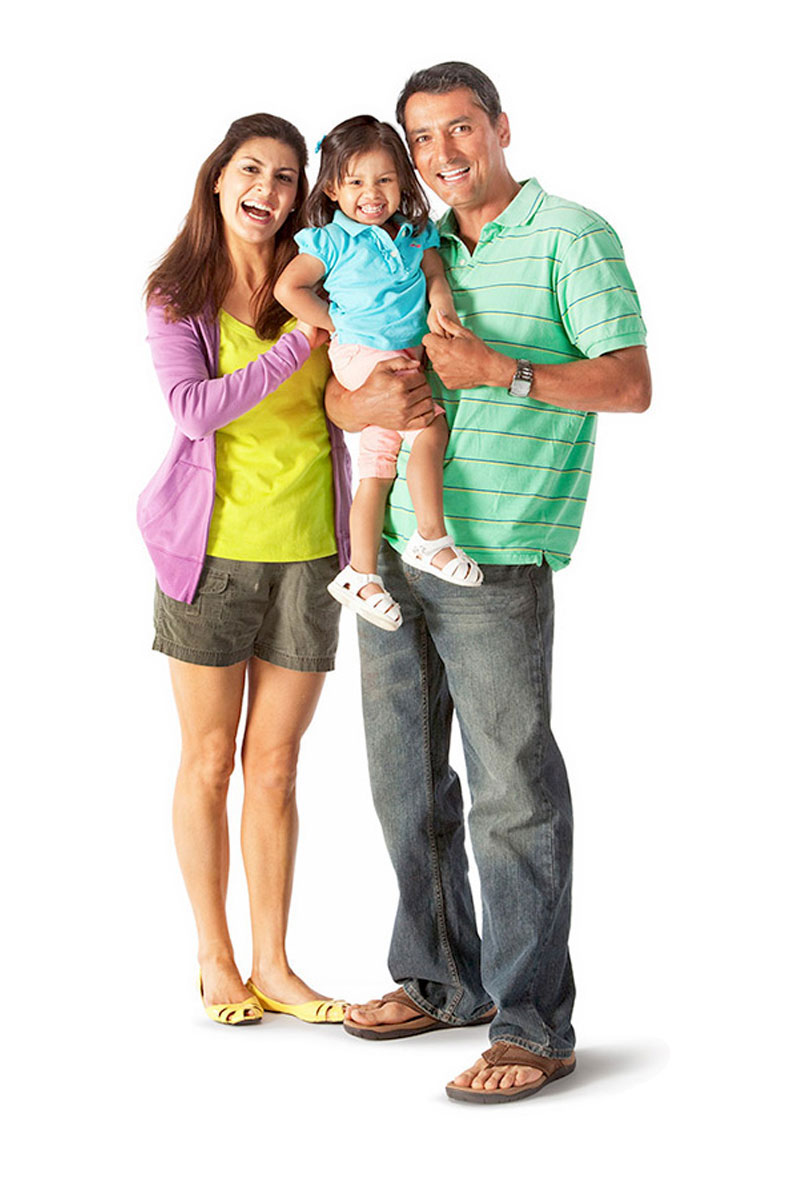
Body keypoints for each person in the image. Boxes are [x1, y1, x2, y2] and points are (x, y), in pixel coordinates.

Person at [326, 63, 651, 1101]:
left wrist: (501, 373)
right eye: (420, 139)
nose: (440, 154)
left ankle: (528, 1026)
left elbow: (629, 383)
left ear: (501, 126)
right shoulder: (404, 244)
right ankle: (438, 980)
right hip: (390, 550)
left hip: (495, 546)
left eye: (458, 129)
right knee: (402, 780)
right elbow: (346, 392)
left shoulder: (570, 235)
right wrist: (356, 403)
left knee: (509, 792)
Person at [138, 113, 351, 1027]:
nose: (267, 191)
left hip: (311, 554)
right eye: (250, 171)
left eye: (286, 176)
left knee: (275, 768)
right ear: (218, 178)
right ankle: (215, 957)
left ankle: (275, 961)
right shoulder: (178, 292)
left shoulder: (322, 278)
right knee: (208, 764)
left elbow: (347, 395)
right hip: (211, 557)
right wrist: (302, 344)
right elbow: (193, 409)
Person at [274, 115, 482, 634]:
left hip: (405, 352)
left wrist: (441, 299)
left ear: (403, 181)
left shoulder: (415, 232)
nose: (372, 193)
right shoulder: (329, 241)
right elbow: (289, 290)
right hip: (364, 354)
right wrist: (338, 323)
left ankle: (360, 574)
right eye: (356, 182)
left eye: (385, 180)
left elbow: (435, 269)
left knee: (377, 466)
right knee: (429, 427)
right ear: (333, 188)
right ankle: (431, 538)